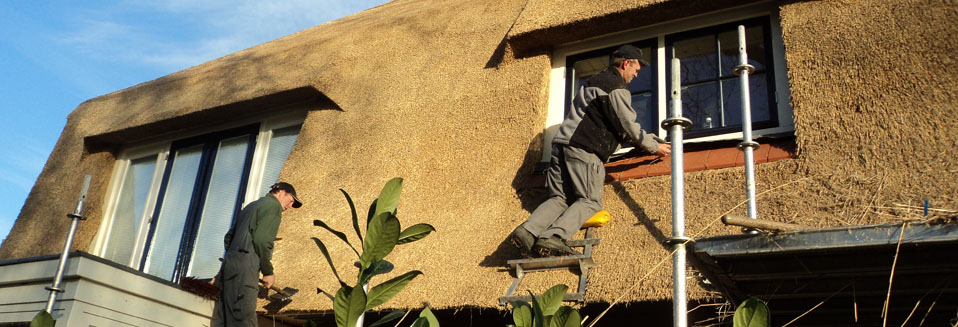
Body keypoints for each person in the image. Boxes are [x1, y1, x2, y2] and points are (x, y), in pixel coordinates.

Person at [510, 44, 671, 257]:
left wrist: (646, 138)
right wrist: (653, 146)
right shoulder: (616, 86)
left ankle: (527, 231)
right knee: (590, 201)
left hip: (561, 146)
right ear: (625, 64)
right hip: (584, 149)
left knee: (560, 198)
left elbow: (609, 123)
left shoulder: (593, 82)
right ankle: (553, 237)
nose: (636, 74)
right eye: (636, 69)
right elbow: (628, 125)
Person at [214, 182, 302, 327]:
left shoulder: (251, 206)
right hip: (246, 266)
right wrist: (267, 271)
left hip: (228, 267)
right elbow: (262, 240)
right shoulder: (273, 206)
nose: (290, 206)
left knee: (225, 320)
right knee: (244, 318)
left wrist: (234, 259)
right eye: (291, 201)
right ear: (281, 192)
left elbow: (228, 237)